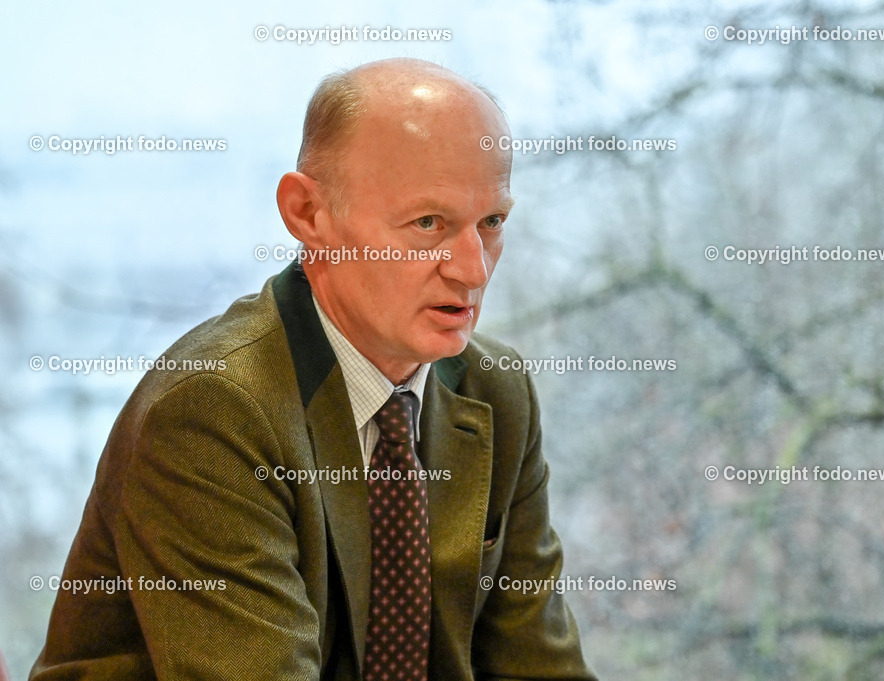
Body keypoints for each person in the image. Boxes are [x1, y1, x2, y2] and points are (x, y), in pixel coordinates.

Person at [30, 59, 596, 680]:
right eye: (428, 223)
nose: (473, 269)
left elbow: (539, 668)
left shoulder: (497, 390)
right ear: (308, 215)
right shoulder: (210, 411)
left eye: (491, 223)